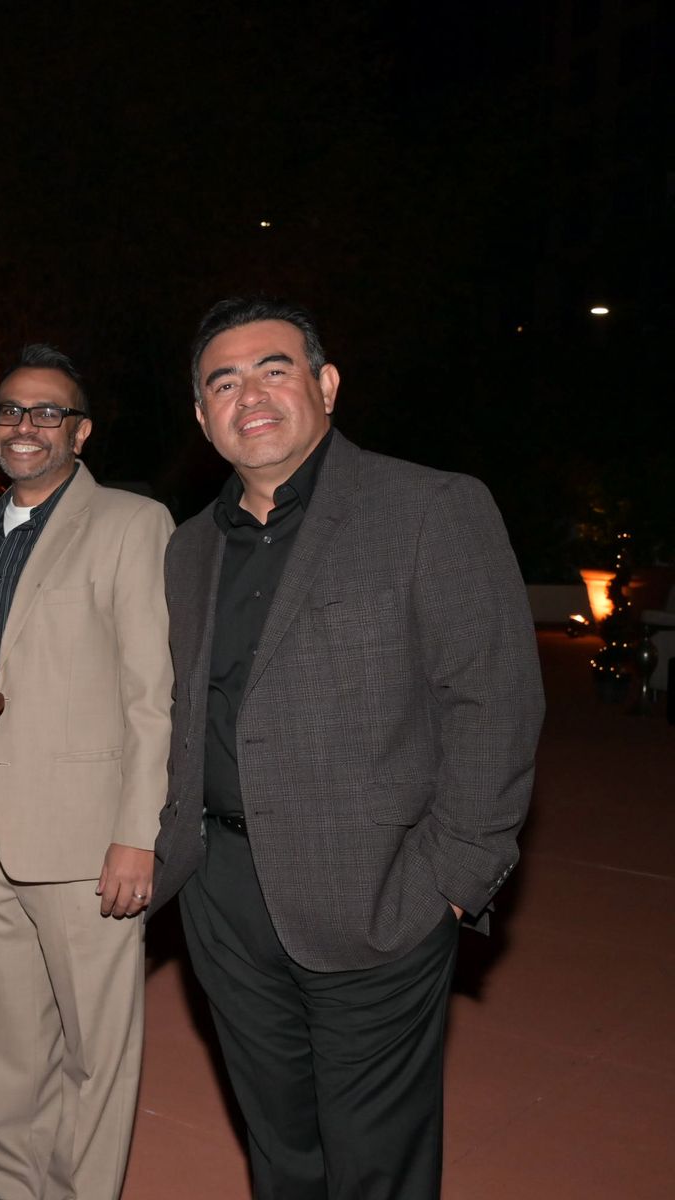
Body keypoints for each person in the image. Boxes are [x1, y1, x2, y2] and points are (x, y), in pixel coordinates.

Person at [153, 297, 543, 1199]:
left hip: (378, 897)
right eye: (223, 383)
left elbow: (494, 702)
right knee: (280, 1151)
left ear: (326, 385)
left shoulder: (428, 507)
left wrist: (450, 883)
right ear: (203, 419)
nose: (249, 394)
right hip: (224, 901)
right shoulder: (190, 548)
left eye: (274, 369)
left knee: (376, 1163)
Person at [0, 344, 172, 1199]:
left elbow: (153, 695)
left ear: (81, 431)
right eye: (9, 411)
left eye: (47, 412)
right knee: (6, 1044)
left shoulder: (132, 524)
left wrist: (137, 834)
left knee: (93, 1049)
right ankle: (14, 1187)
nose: (24, 426)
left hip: (86, 833)